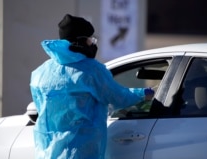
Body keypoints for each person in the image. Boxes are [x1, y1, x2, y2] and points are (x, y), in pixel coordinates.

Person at [30, 14, 154, 159]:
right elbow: (118, 97)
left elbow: (41, 109)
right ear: (80, 41)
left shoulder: (40, 72)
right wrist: (145, 93)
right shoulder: (92, 70)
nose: (93, 44)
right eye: (90, 40)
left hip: (46, 153)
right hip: (80, 152)